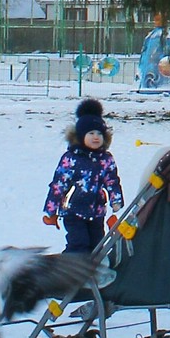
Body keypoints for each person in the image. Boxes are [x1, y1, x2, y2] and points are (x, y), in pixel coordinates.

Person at [43, 98, 124, 253]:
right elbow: (59, 185)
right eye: (91, 133)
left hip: (97, 211)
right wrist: (51, 210)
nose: (96, 137)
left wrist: (116, 201)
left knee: (97, 245)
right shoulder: (71, 159)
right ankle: (72, 271)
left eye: (99, 133)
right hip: (73, 211)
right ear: (80, 136)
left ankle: (94, 272)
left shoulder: (106, 159)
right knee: (79, 244)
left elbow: (112, 181)